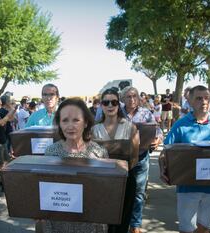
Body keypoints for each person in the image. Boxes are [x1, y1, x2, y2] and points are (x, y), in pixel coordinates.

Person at [160, 85, 210, 233]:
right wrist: (163, 170)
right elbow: (165, 152)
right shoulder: (180, 125)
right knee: (186, 229)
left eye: (207, 98)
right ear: (190, 101)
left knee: (205, 227)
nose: (204, 101)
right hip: (187, 187)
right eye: (199, 98)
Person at [37, 98, 108, 233]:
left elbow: (105, 192)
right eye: (65, 120)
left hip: (90, 223)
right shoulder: (50, 152)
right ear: (59, 123)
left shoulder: (99, 152)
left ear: (86, 122)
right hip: (57, 223)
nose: (70, 126)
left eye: (76, 120)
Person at [92, 89, 139, 233]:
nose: (110, 105)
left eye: (114, 102)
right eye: (106, 102)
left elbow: (135, 157)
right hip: (101, 180)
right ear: (101, 105)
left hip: (125, 178)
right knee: (103, 221)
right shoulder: (94, 129)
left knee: (122, 222)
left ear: (119, 104)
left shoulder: (130, 127)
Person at [121, 87, 162, 233]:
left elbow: (158, 130)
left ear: (138, 98)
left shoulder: (146, 113)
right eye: (128, 96)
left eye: (134, 96)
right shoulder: (117, 113)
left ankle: (135, 225)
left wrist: (157, 139)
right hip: (121, 158)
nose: (131, 99)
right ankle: (122, 223)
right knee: (122, 192)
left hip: (141, 157)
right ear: (123, 99)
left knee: (138, 193)